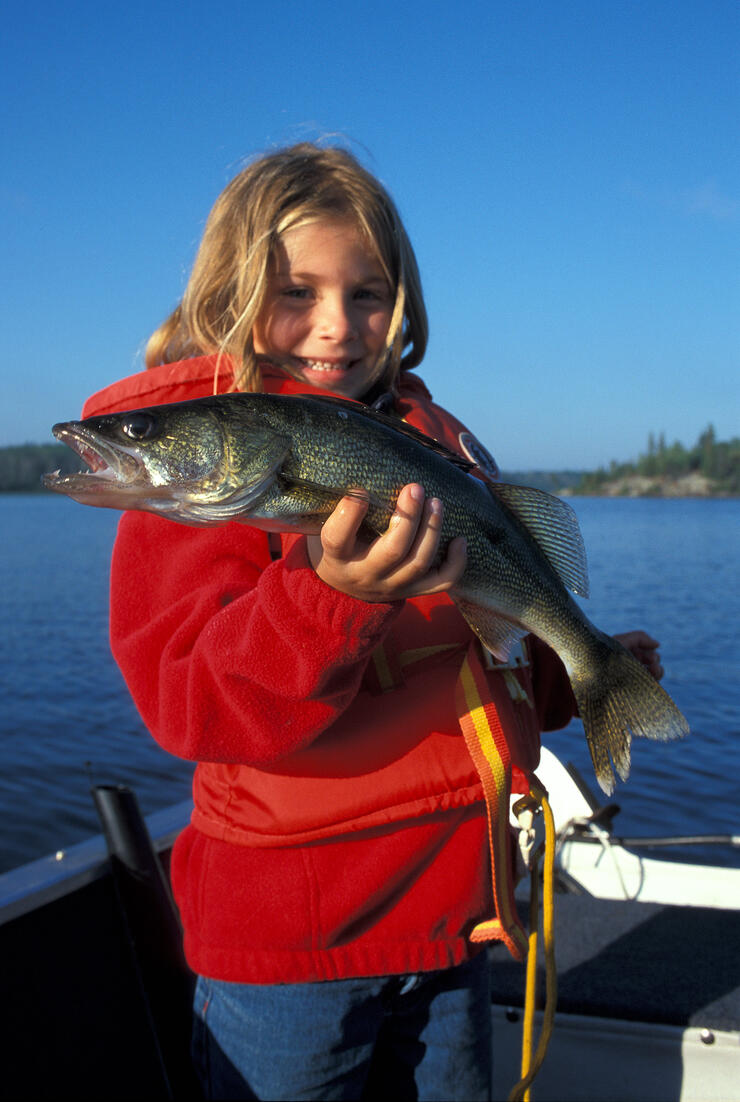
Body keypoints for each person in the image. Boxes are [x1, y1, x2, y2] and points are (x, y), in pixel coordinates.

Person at [82, 143, 664, 1101]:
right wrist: (337, 593)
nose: (335, 327)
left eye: (367, 294)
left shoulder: (427, 447)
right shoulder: (204, 484)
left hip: (455, 918)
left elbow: (471, 650)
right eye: (294, 291)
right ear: (226, 295)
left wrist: (571, 672)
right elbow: (196, 705)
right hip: (292, 951)